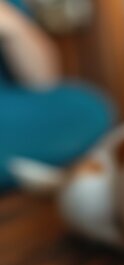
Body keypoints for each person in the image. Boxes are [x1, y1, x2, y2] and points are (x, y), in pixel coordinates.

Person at [0, 0, 113, 191]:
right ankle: (18, 170)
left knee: (87, 108)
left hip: (10, 112)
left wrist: (13, 27)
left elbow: (44, 81)